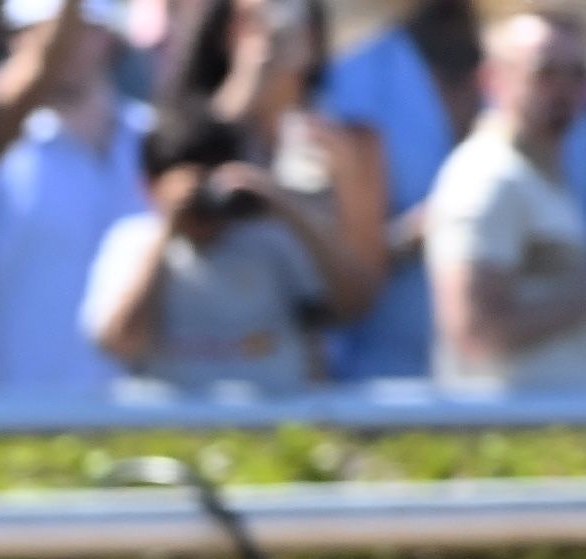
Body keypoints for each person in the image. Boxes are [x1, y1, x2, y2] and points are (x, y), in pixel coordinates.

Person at [157, 0, 387, 330]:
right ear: (224, 31)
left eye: (289, 18)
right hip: (197, 341)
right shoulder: (184, 128)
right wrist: (246, 85)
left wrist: (285, 205)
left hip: (303, 358)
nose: (273, 33)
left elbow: (361, 293)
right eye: (251, 21)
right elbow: (175, 199)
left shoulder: (350, 143)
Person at [0, 0, 154, 391]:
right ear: (17, 42)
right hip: (8, 419)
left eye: (81, 30)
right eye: (46, 31)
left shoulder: (156, 139)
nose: (65, 45)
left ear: (107, 39)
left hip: (146, 418)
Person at [83, 109, 327, 387]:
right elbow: (118, 342)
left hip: (274, 422)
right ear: (149, 186)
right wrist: (168, 230)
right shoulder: (134, 241)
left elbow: (351, 302)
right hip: (171, 427)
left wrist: (281, 202)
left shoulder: (270, 238)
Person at [317, 0, 483, 377]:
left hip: (514, 370)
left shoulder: (546, 63)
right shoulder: (358, 72)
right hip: (384, 360)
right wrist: (402, 239)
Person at [426, 9, 586, 391]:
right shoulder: (485, 175)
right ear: (493, 79)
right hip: (502, 433)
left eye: (577, 73)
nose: (563, 88)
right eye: (544, 71)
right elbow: (476, 331)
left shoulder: (541, 176)